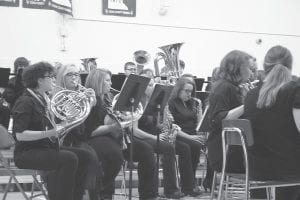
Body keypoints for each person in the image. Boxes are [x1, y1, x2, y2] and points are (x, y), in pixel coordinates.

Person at [12, 62, 92, 200]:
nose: (54, 80)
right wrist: (50, 133)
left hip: (45, 148)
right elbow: (20, 135)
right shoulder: (25, 101)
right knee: (68, 158)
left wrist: (67, 120)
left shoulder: (46, 99)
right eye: (51, 77)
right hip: (26, 153)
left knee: (85, 156)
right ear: (39, 80)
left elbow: (54, 126)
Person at [84, 68, 157, 200]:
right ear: (97, 81)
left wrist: (125, 118)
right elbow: (90, 131)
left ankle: (147, 195)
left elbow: (115, 121)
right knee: (114, 155)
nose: (111, 84)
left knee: (146, 151)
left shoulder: (108, 98)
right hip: (96, 139)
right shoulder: (89, 99)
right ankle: (101, 193)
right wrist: (113, 126)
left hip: (114, 137)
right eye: (107, 80)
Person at [243, 45, 300, 200]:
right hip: (289, 171)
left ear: (265, 66)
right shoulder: (296, 90)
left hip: (256, 171)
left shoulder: (251, 94)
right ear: (291, 65)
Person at [55, 64, 102, 200]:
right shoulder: (56, 96)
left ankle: (92, 195)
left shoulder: (82, 96)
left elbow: (87, 127)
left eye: (76, 74)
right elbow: (64, 121)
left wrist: (92, 103)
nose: (74, 77)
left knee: (94, 157)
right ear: (61, 77)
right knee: (90, 157)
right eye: (69, 74)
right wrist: (77, 104)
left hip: (80, 138)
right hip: (65, 139)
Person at [137, 69, 184, 198]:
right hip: (140, 136)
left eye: (151, 83)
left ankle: (171, 190)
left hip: (152, 135)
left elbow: (158, 125)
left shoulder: (154, 102)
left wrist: (165, 119)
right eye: (147, 84)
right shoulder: (136, 101)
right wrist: (154, 136)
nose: (150, 86)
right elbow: (134, 130)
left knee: (169, 148)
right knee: (154, 151)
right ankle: (150, 192)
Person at [206, 50, 252, 175]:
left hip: (233, 150)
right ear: (237, 68)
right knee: (266, 161)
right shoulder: (224, 87)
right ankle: (259, 194)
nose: (251, 72)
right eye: (249, 68)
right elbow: (218, 119)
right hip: (225, 154)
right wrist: (248, 103)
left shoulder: (234, 87)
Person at [168, 77, 204, 195]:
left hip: (191, 134)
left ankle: (191, 183)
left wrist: (200, 112)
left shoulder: (192, 103)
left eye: (191, 91)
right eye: (186, 91)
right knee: (189, 146)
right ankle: (189, 186)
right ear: (178, 89)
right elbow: (171, 126)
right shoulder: (171, 103)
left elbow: (198, 124)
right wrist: (191, 137)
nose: (189, 94)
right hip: (177, 135)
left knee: (198, 144)